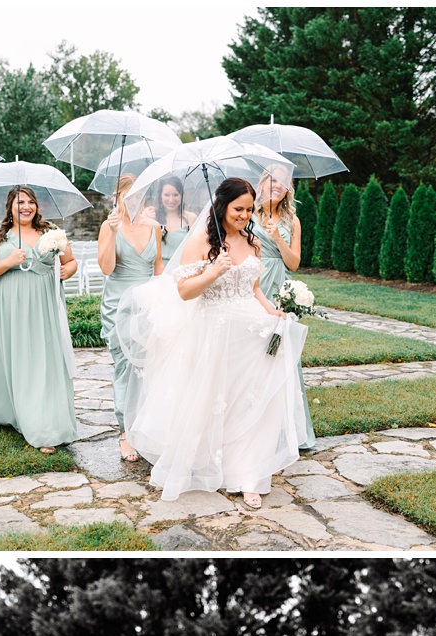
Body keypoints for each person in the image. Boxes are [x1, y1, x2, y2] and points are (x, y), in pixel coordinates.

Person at [116, 177, 308, 507]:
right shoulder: (202, 241)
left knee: (250, 401)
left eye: (249, 209)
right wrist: (213, 272)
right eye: (238, 209)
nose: (245, 215)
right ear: (222, 206)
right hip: (214, 331)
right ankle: (208, 464)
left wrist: (271, 310)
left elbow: (255, 287)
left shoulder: (253, 242)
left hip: (252, 332)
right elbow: (184, 291)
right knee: (217, 401)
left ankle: (248, 474)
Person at [0, 188, 78, 453]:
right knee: (13, 356)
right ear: (10, 207)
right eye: (20, 202)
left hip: (43, 303)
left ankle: (43, 421)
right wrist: (8, 261)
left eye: (31, 202)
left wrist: (67, 271)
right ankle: (10, 412)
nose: (27, 207)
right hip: (7, 303)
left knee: (41, 359)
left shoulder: (50, 231)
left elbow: (72, 261)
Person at [98, 174, 163, 462]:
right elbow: (107, 267)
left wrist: (164, 299)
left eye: (140, 195)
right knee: (125, 367)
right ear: (117, 197)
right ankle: (125, 433)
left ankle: (147, 428)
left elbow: (158, 266)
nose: (134, 200)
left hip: (148, 303)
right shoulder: (109, 226)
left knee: (149, 367)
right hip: (119, 304)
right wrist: (112, 232)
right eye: (128, 195)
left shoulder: (154, 227)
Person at [255, 167, 316, 450]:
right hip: (254, 284)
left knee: (283, 353)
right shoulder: (248, 215)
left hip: (281, 286)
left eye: (283, 182)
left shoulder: (293, 221)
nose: (278, 185)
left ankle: (287, 430)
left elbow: (294, 263)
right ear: (262, 183)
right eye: (272, 180)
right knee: (255, 352)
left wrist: (278, 238)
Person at [149, 176, 196, 265]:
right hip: (156, 270)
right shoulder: (151, 216)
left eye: (175, 195)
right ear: (160, 196)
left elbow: (196, 248)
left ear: (182, 195)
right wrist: (147, 220)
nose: (171, 200)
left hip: (181, 268)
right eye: (167, 195)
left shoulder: (190, 218)